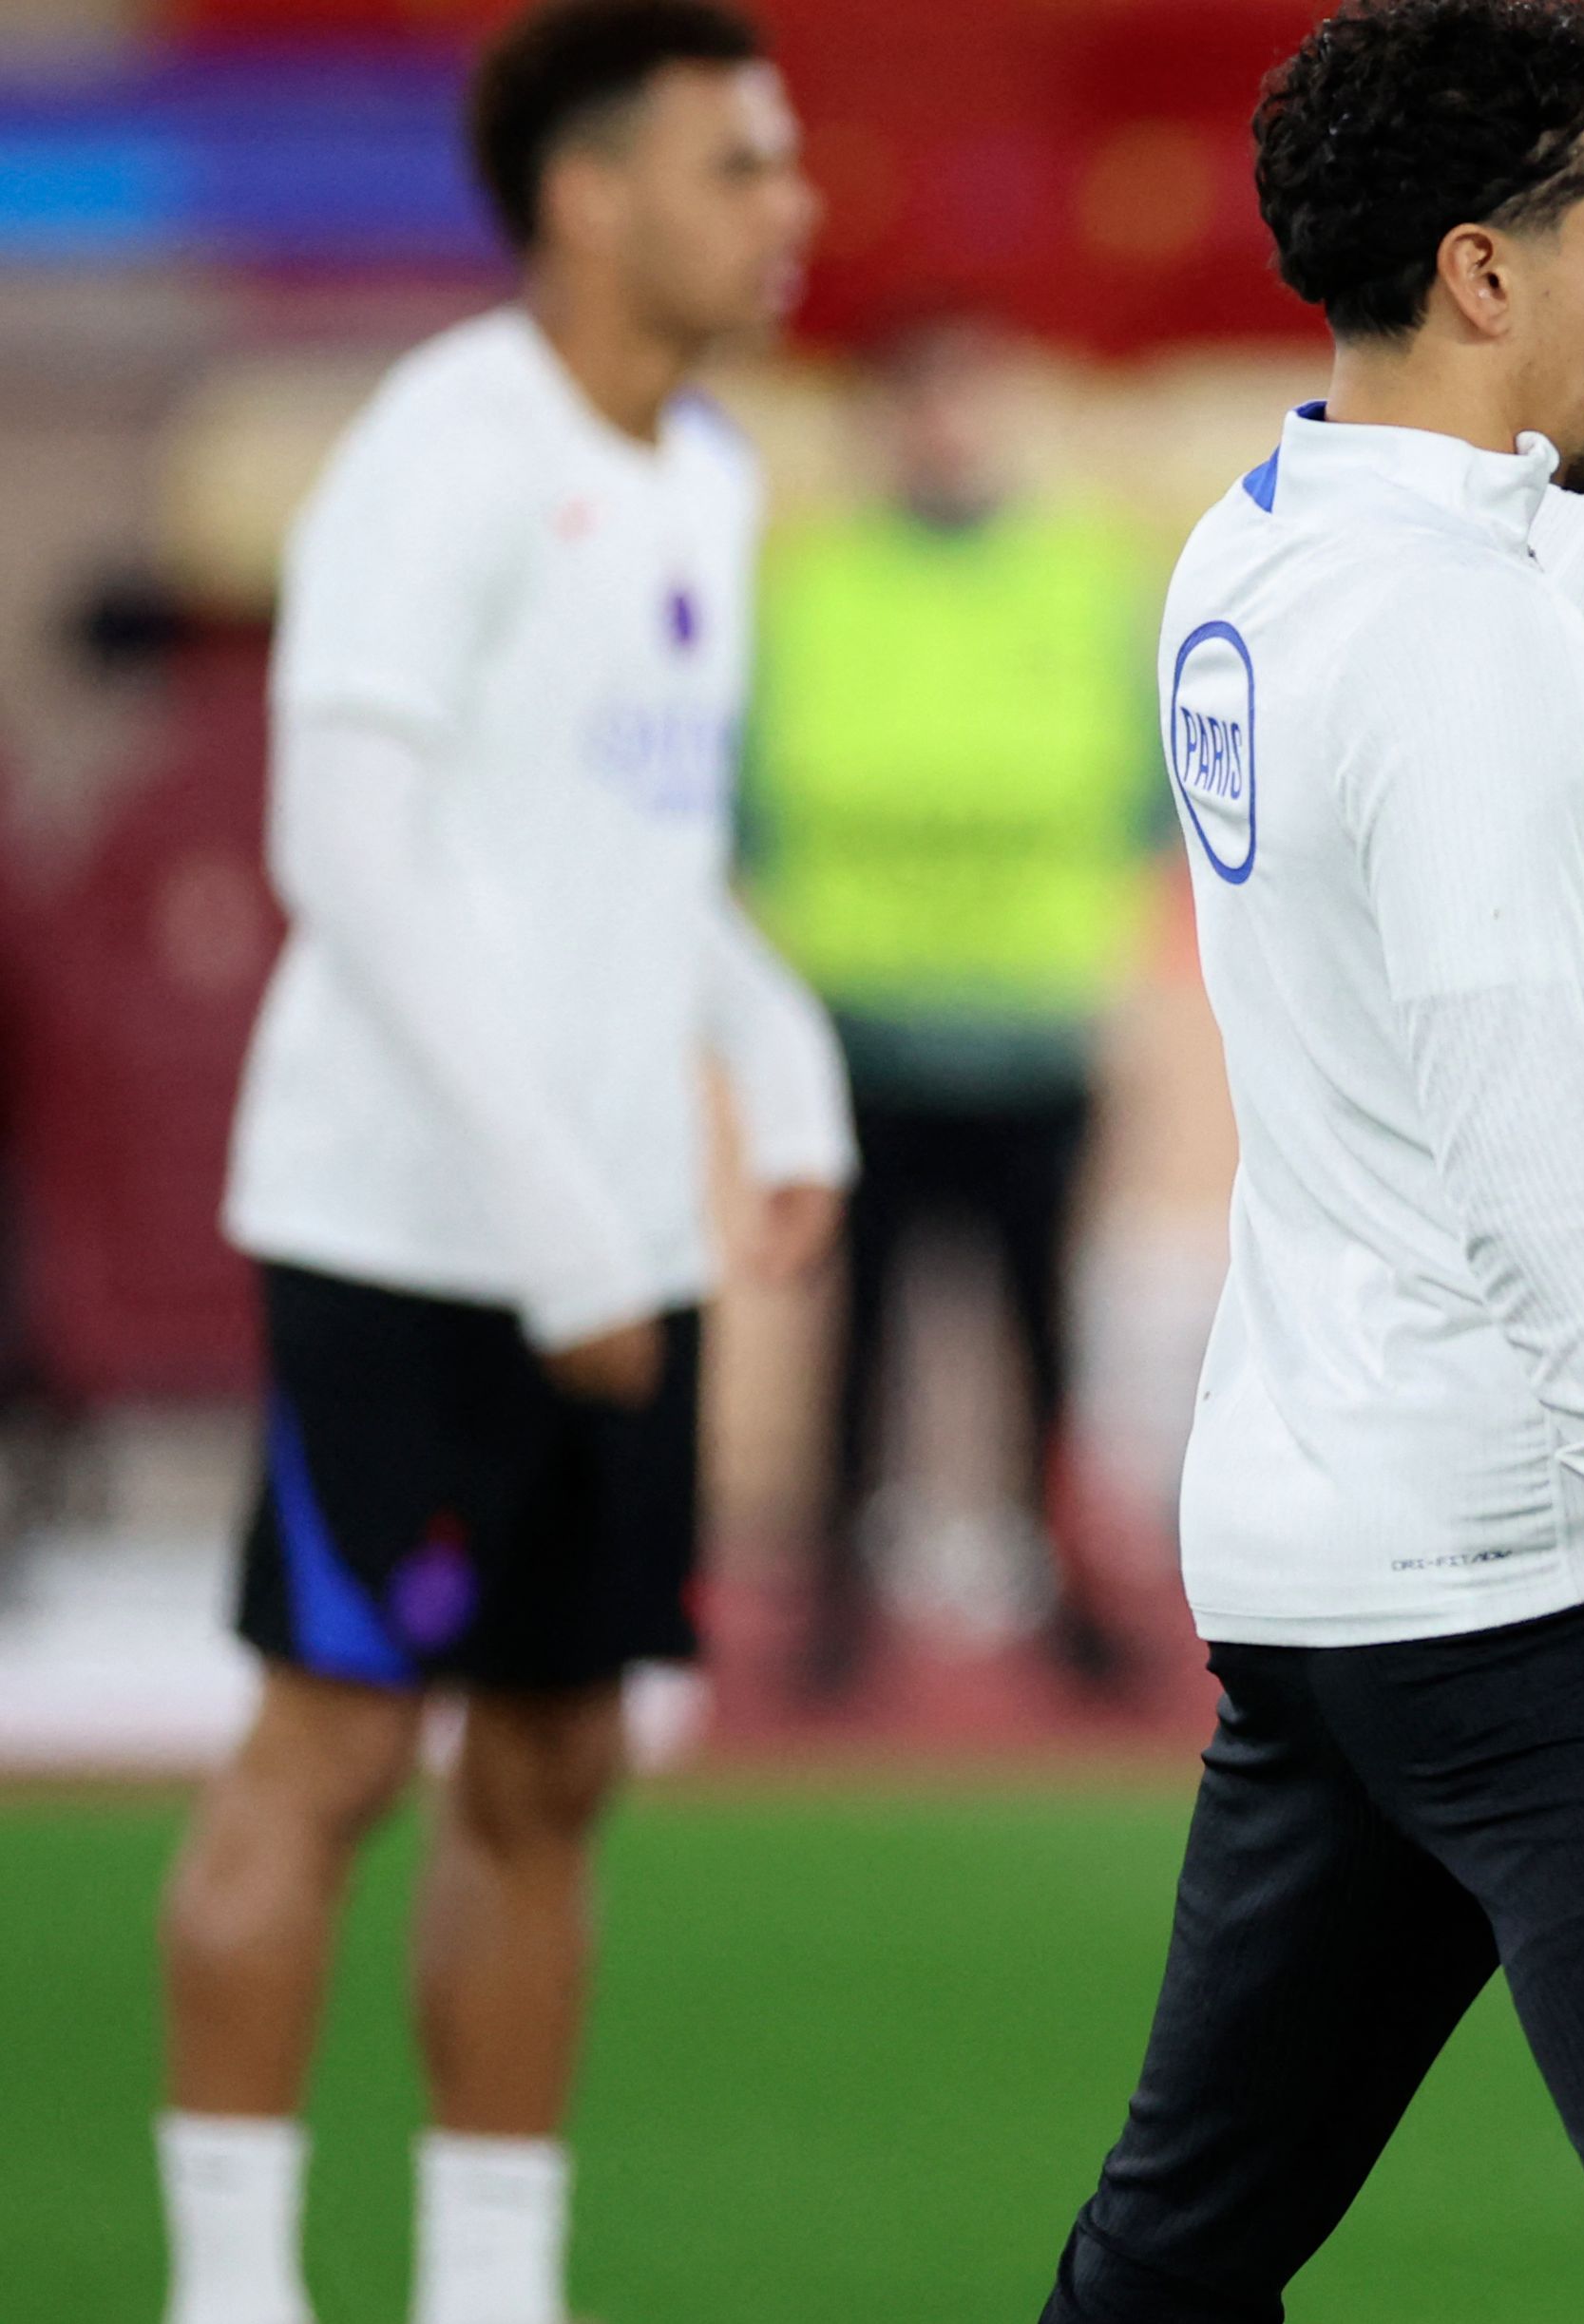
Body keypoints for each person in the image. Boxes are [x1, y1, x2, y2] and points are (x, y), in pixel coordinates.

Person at [1038, 5, 1584, 2317]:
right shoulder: (1453, 652)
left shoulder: (1256, 544)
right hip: (1556, 1578)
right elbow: (1536, 1151)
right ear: (1485, 273)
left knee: (1180, 2245)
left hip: (1323, 1562)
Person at [154, 9, 847, 2324]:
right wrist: (554, 1218)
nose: (791, 206)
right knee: (333, 1748)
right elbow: (343, 849)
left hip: (617, 1245)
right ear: (588, 193)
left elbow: (628, 851)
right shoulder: (438, 452)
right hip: (407, 1230)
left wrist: (779, 1055)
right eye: (739, 164)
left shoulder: (708, 475)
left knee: (556, 1763)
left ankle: (487, 2287)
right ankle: (234, 2289)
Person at [739, 313, 1168, 1699]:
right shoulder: (813, 585)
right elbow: (766, 791)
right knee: (854, 1343)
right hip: (861, 1025)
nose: (946, 430)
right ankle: (833, 1607)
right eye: (921, 402)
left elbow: (1134, 790)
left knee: (1047, 1337)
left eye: (967, 399)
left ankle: (1072, 1592)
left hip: (1034, 1025)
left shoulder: (1080, 575)